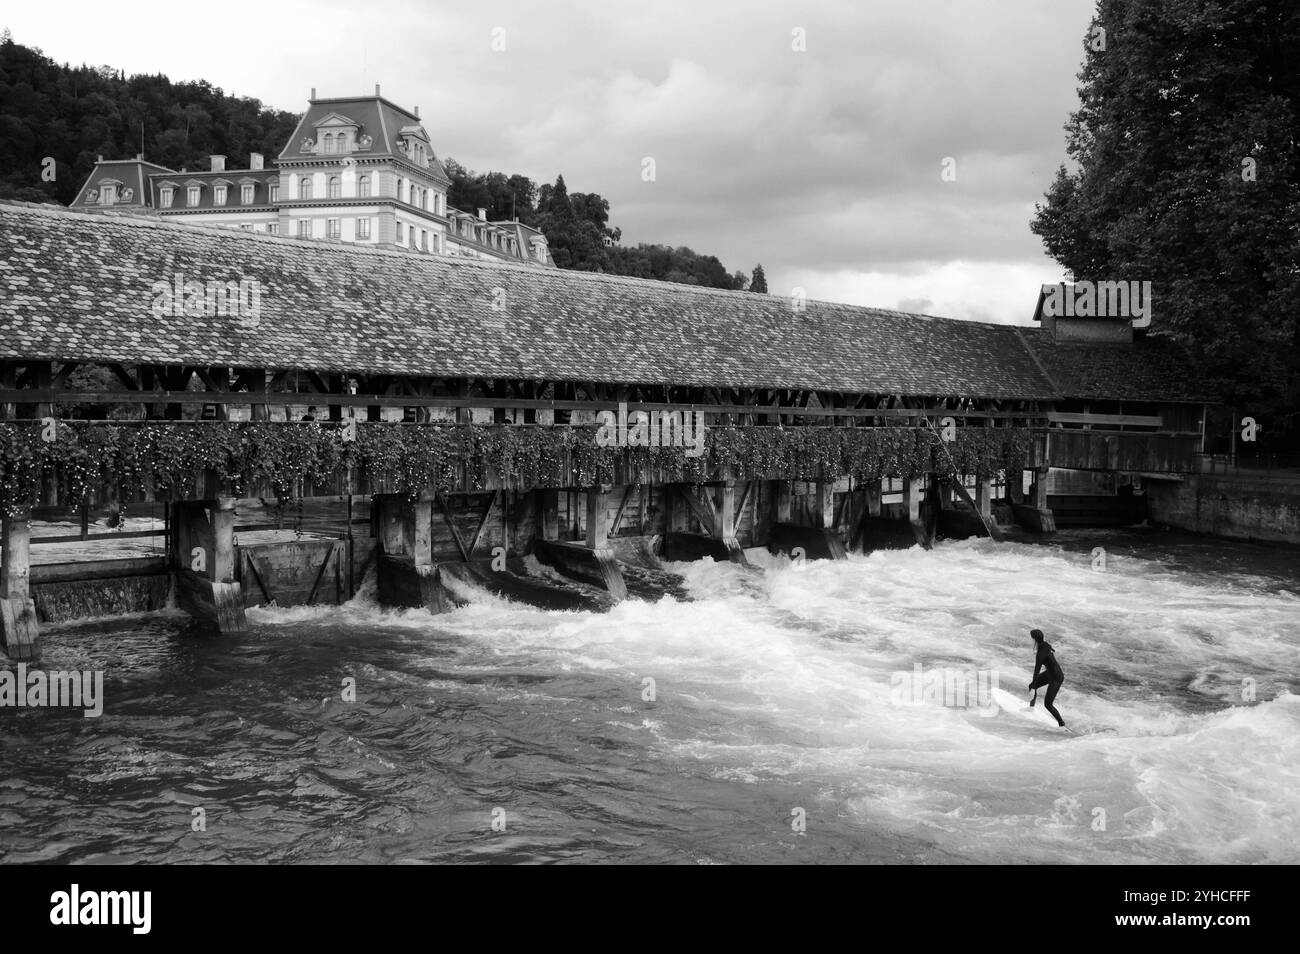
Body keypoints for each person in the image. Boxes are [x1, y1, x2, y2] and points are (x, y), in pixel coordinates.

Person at [1027, 628, 1066, 727]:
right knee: (1031, 685)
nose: (1029, 640)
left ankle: (1062, 724)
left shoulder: (1040, 654)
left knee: (1048, 704)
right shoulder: (1044, 644)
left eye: (1031, 638)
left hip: (1056, 677)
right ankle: (1031, 709)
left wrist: (1033, 689)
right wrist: (1033, 687)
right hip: (1050, 673)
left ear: (1035, 639)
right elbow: (1049, 647)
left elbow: (1036, 671)